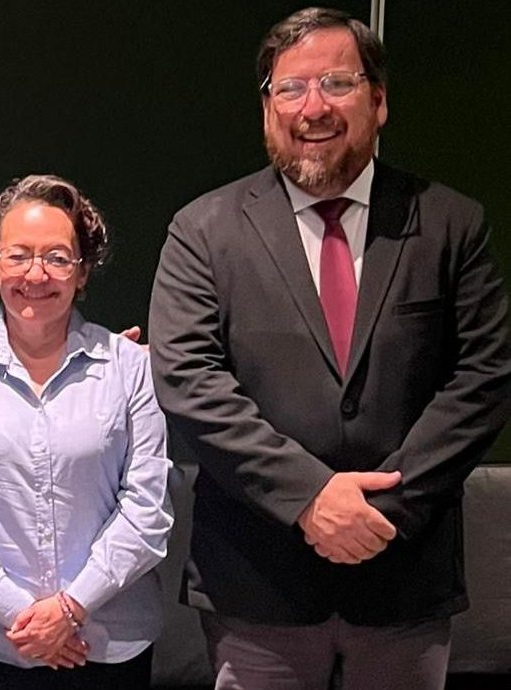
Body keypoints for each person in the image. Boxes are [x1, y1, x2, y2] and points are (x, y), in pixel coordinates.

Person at [148, 7, 511, 690]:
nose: (312, 107)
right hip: (257, 585)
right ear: (267, 109)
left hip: (403, 578)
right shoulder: (203, 230)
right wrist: (309, 498)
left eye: (336, 84)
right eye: (290, 88)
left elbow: (483, 378)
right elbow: (188, 379)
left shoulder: (450, 224)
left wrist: (381, 513)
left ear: (379, 101)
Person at [0, 174, 173, 689]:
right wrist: (19, 615)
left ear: (82, 271)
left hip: (107, 645)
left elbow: (148, 506)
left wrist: (71, 608)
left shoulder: (128, 367)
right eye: (18, 255)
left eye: (57, 257)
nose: (36, 273)